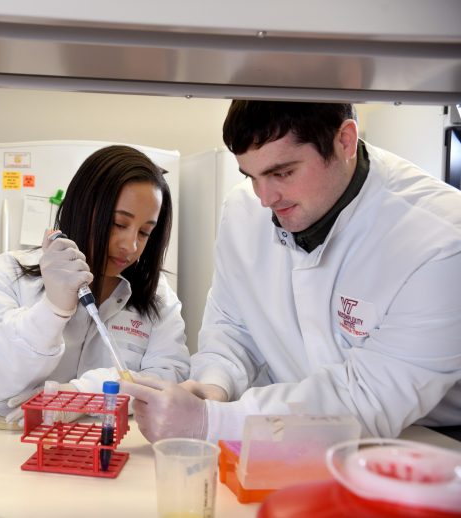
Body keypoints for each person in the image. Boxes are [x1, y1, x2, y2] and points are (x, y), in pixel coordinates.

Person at [122, 101, 461, 443]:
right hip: (282, 432)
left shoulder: (440, 239)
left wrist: (212, 422)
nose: (265, 198)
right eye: (251, 176)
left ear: (344, 141)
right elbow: (234, 327)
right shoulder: (244, 209)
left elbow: (371, 398)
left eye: (282, 173)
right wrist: (215, 384)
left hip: (423, 440)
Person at [0, 145, 190, 426]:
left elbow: (168, 380)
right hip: (16, 450)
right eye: (118, 224)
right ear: (82, 209)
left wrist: (83, 395)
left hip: (112, 450)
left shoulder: (158, 296)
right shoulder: (9, 273)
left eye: (145, 232)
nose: (130, 245)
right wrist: (53, 309)